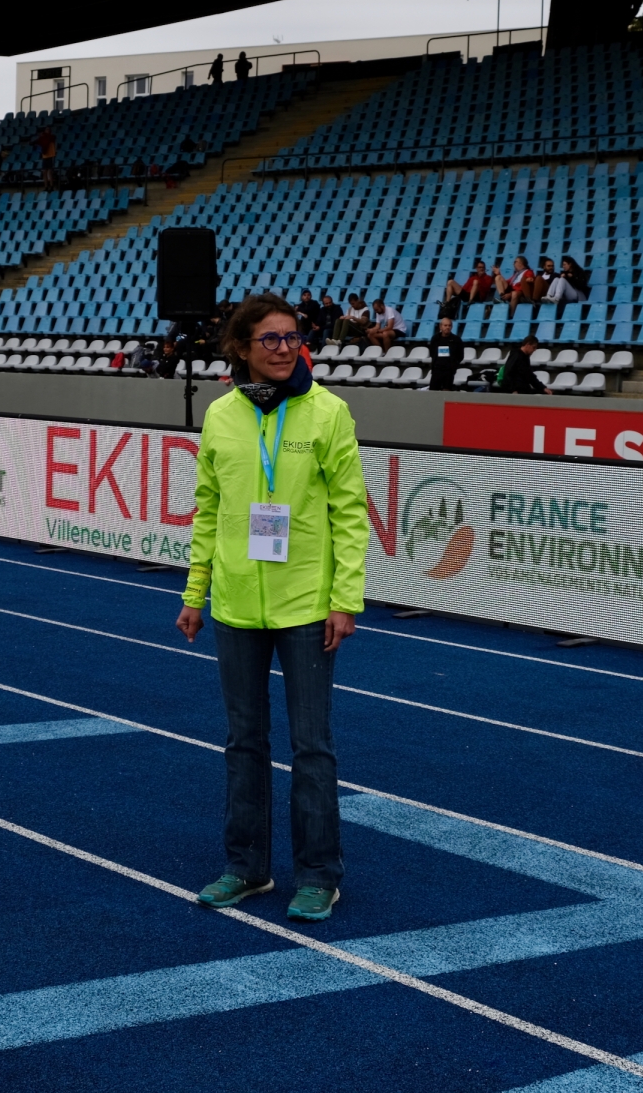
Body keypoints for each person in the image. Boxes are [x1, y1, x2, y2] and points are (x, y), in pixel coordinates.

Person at [176, 292, 369, 922]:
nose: (284, 349)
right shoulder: (220, 415)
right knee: (243, 742)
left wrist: (344, 599)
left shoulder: (328, 412)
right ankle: (247, 867)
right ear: (241, 347)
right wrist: (196, 593)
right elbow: (209, 510)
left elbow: (350, 512)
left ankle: (318, 875)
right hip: (235, 603)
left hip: (307, 604)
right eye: (271, 339)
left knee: (312, 746)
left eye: (292, 338)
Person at [429, 318, 465, 390]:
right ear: (440, 326)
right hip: (437, 369)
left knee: (447, 391)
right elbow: (432, 352)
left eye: (449, 325)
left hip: (449, 371)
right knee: (433, 391)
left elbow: (460, 355)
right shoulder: (435, 338)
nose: (447, 327)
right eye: (445, 325)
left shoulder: (456, 340)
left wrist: (454, 365)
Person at [37, 125, 57, 191]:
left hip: (50, 156)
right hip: (45, 156)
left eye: (48, 129)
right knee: (44, 172)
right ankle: (46, 186)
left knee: (50, 172)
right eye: (46, 130)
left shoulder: (51, 137)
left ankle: (51, 186)